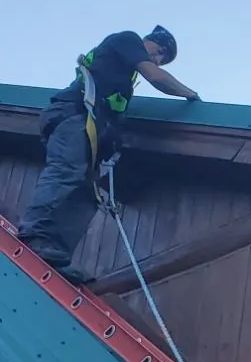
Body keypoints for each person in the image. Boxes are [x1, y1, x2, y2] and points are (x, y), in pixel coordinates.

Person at [18, 26, 201, 283]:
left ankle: (54, 252)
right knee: (66, 172)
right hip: (74, 116)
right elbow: (156, 77)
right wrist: (189, 94)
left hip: (91, 130)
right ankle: (33, 233)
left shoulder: (119, 78)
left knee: (86, 197)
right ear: (147, 42)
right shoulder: (127, 39)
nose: (157, 60)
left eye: (163, 58)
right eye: (159, 52)